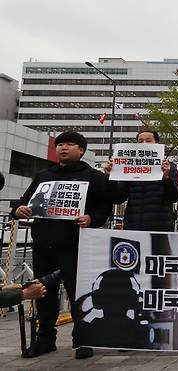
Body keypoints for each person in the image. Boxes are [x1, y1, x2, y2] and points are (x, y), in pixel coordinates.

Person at [10, 131, 112, 359]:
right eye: (60, 144)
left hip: (76, 245)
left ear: (81, 150)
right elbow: (23, 201)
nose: (63, 148)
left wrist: (92, 219)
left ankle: (83, 339)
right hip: (43, 244)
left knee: (79, 293)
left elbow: (106, 205)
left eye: (69, 144)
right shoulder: (44, 176)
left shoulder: (93, 177)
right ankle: (45, 339)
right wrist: (19, 210)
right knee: (44, 294)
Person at [102, 129, 178, 231]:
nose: (144, 143)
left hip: (160, 226)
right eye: (140, 141)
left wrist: (166, 178)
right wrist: (110, 177)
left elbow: (174, 197)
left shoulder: (169, 168)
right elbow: (118, 198)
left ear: (157, 143)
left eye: (148, 140)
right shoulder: (129, 168)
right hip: (133, 225)